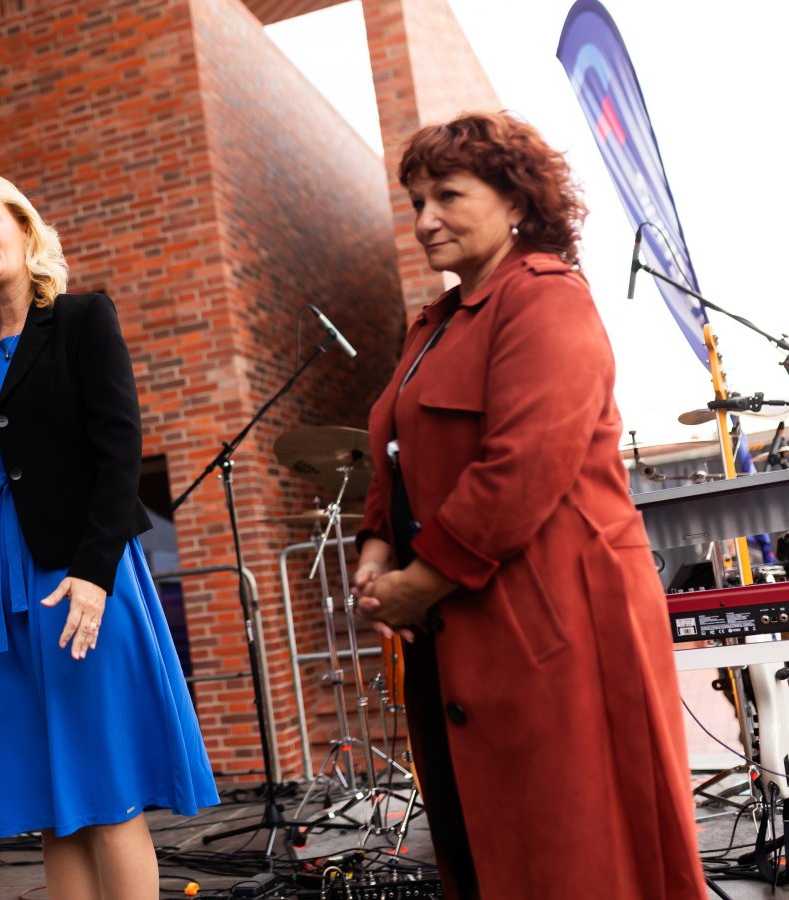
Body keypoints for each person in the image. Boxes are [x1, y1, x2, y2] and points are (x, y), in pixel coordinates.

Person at [352, 114, 704, 899]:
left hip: (559, 627)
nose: (425, 220)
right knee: (486, 850)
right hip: (459, 630)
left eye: (447, 196)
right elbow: (396, 449)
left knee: (578, 856)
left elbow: (522, 468)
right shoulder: (432, 324)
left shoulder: (546, 299)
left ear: (515, 200)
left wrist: (418, 584)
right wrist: (376, 546)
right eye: (416, 202)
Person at [0, 167, 218, 898]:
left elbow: (119, 453)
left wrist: (95, 574)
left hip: (76, 564)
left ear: (23, 227)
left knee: (105, 789)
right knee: (50, 798)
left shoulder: (82, 320)